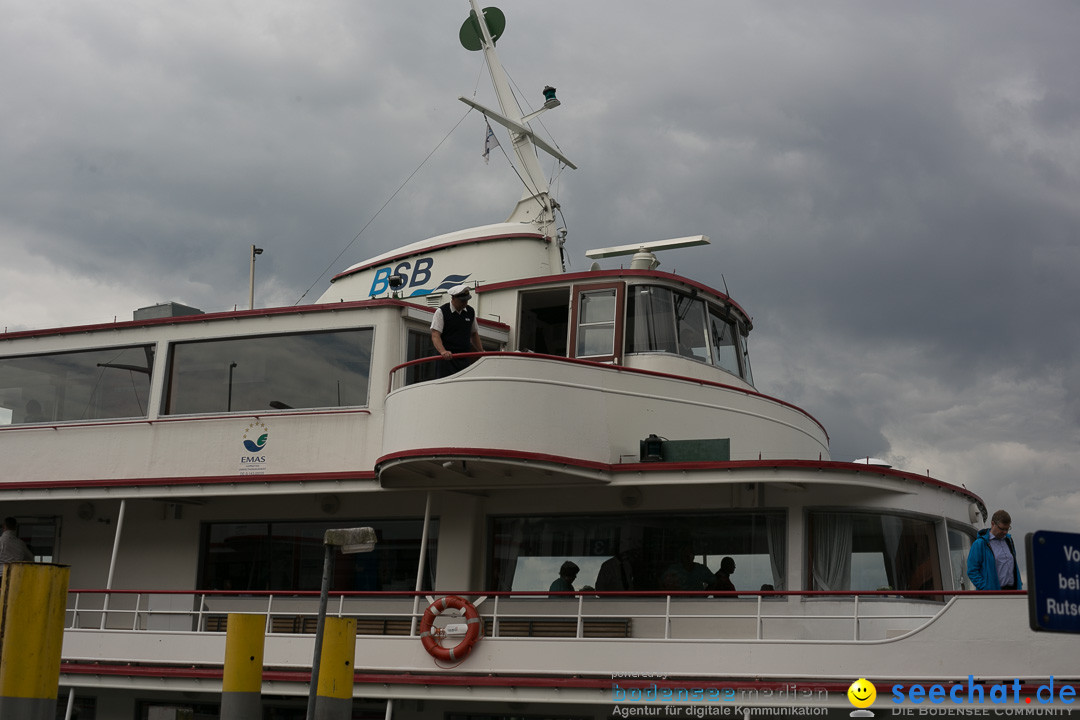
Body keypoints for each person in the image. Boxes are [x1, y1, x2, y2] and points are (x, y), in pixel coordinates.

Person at [430, 284, 483, 378]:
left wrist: (481, 352)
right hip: (447, 360)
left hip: (464, 357)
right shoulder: (441, 311)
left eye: (467, 300)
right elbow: (435, 334)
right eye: (462, 301)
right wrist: (443, 351)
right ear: (453, 298)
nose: (465, 303)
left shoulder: (470, 312)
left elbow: (474, 334)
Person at [967, 509, 1022, 590]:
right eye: (1002, 529)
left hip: (1013, 592)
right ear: (993, 524)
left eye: (1007, 529)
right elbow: (972, 571)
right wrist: (986, 588)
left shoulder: (1009, 540)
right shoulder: (980, 544)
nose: (1005, 532)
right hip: (993, 595)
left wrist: (1019, 584)